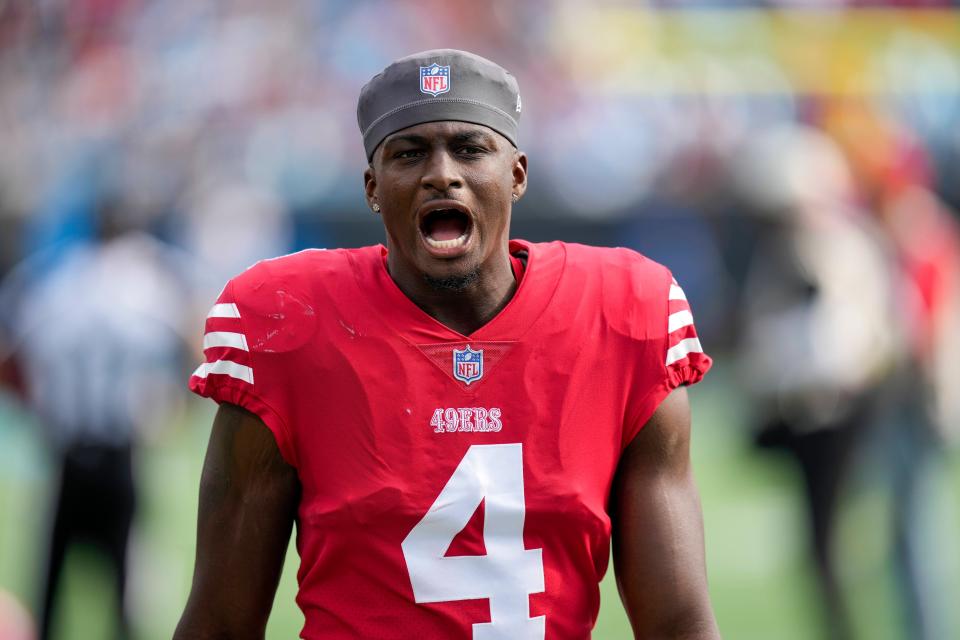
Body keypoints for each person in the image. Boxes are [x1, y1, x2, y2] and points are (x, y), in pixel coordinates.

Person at [174, 49, 720, 640]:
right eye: (409, 154)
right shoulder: (288, 321)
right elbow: (220, 623)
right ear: (371, 188)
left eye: (469, 149)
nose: (442, 173)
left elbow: (679, 621)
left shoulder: (623, 312)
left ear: (516, 174)